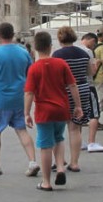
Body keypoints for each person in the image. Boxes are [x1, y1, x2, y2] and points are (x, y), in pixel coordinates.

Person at [0, 22, 39, 177]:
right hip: (20, 97)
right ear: (13, 34)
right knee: (21, 130)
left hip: (0, 98)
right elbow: (30, 72)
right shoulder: (23, 52)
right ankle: (32, 161)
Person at [24, 31, 82, 191]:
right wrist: (78, 106)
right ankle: (61, 167)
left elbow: (29, 93)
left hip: (44, 111)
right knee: (59, 138)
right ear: (51, 46)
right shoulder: (61, 64)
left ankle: (46, 181)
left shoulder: (34, 68)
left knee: (45, 145)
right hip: (62, 109)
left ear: (35, 48)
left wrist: (26, 113)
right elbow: (72, 85)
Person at [52, 27, 95, 171]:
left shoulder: (57, 55)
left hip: (63, 90)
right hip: (82, 89)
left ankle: (60, 159)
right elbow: (90, 72)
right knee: (75, 128)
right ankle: (74, 162)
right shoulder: (83, 53)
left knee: (58, 128)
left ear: (59, 38)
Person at [79, 33, 103, 153]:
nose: (93, 46)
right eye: (93, 43)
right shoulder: (88, 52)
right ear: (90, 40)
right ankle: (92, 142)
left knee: (78, 115)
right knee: (94, 114)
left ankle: (79, 141)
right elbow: (91, 71)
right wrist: (96, 64)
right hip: (88, 85)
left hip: (75, 87)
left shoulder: (72, 50)